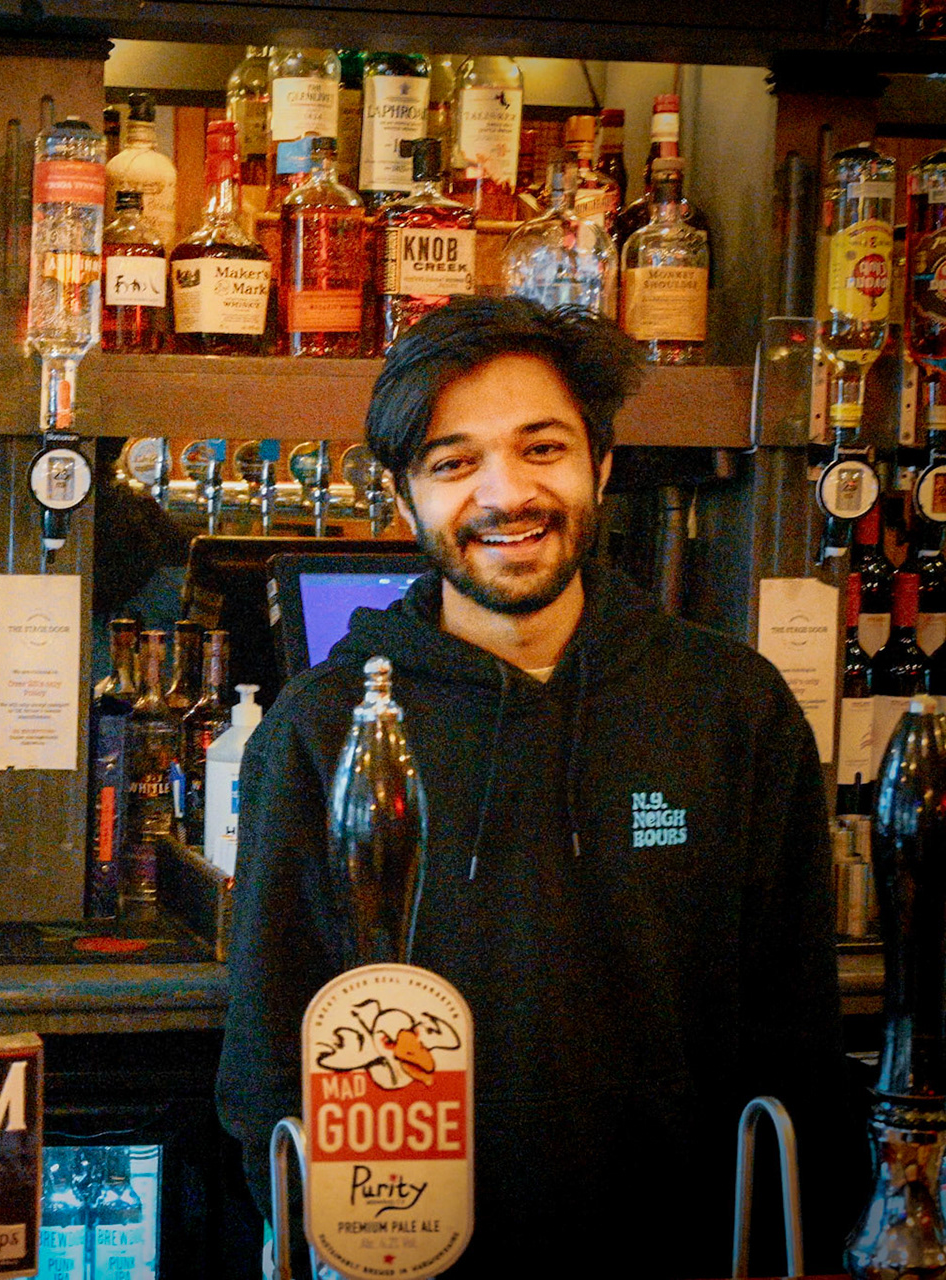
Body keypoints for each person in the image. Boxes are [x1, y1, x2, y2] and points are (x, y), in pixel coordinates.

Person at [216, 296, 847, 1278]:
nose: (505, 493)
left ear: (600, 464)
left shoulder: (733, 709)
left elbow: (795, 1045)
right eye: (455, 462)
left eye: (542, 447)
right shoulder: (321, 728)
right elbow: (269, 1068)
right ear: (404, 497)